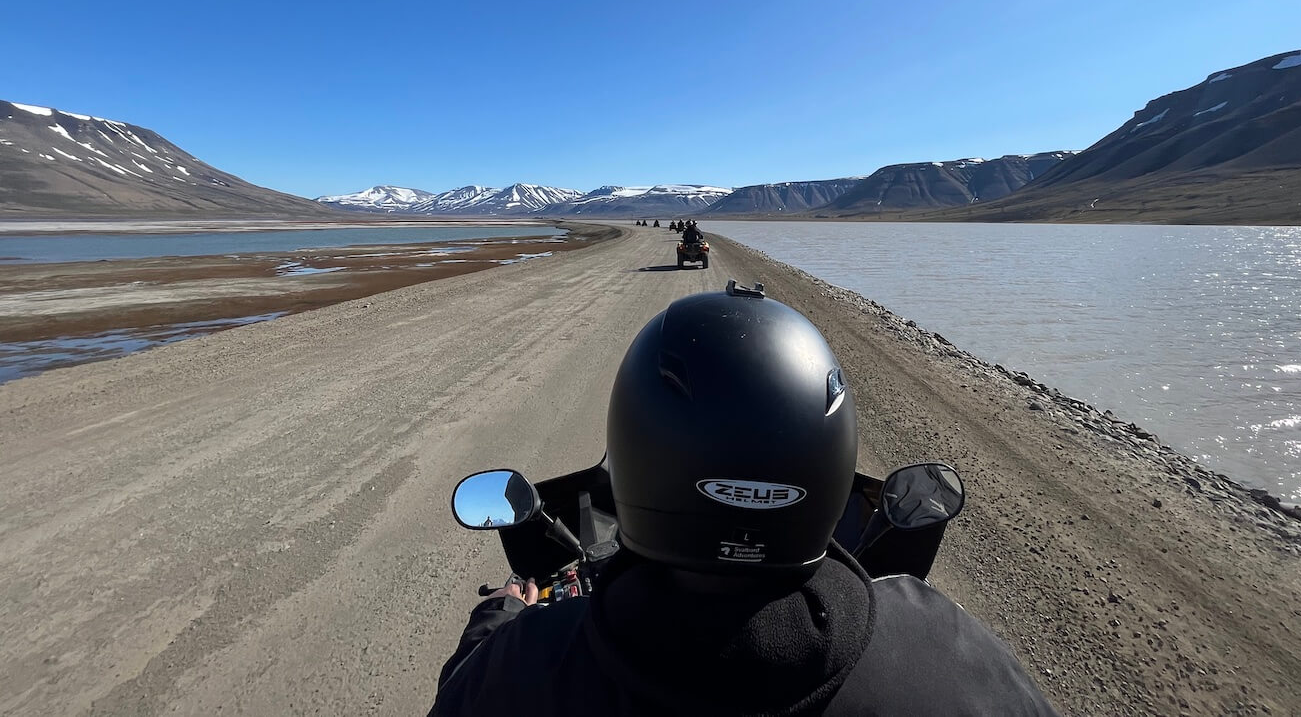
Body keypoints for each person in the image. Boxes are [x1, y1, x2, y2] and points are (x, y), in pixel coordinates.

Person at [429, 288, 1060, 716]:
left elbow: (454, 696)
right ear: (829, 456)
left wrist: (498, 619)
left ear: (639, 451)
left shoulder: (523, 671)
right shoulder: (953, 652)